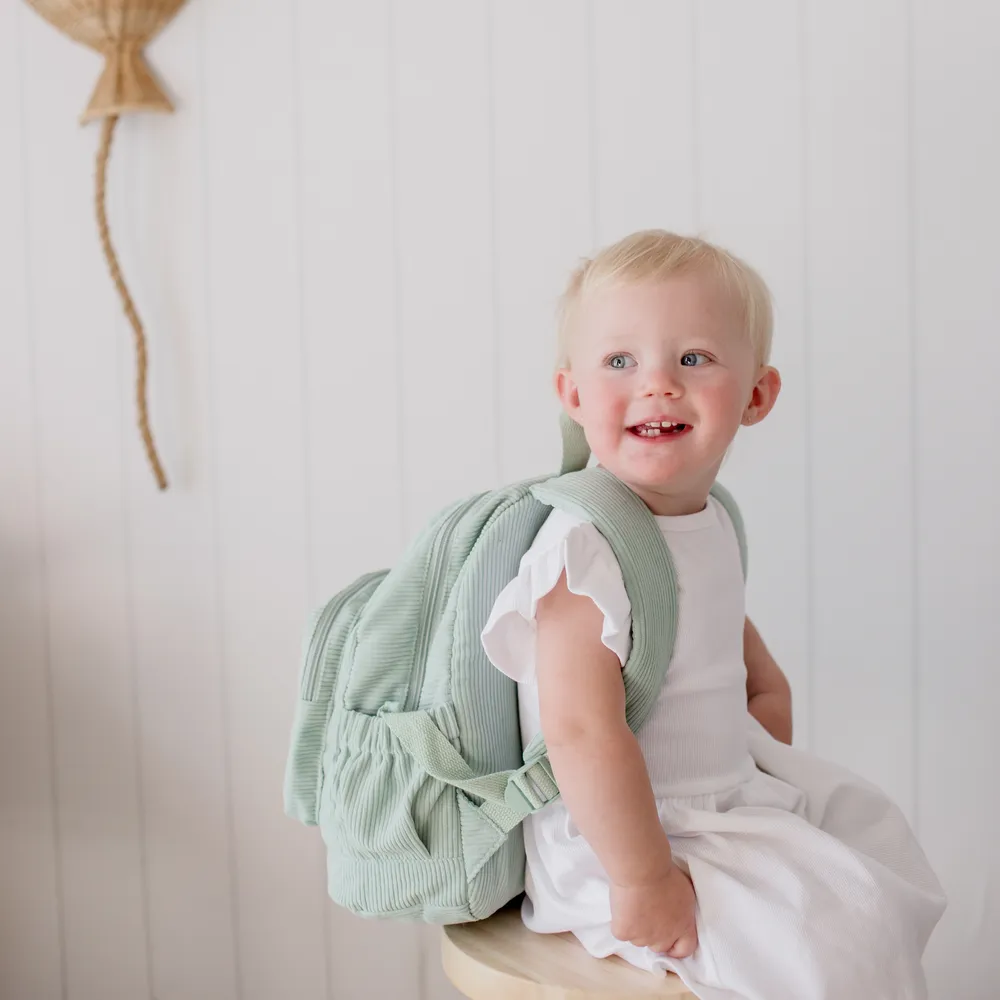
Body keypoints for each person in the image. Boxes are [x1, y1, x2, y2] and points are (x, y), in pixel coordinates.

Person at [481, 230, 946, 999]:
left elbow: (709, 623)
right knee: (826, 950)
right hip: (622, 835)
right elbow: (579, 729)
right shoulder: (582, 545)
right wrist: (643, 879)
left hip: (716, 799)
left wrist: (763, 705)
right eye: (620, 361)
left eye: (693, 358)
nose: (657, 384)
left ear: (757, 395)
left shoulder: (710, 516)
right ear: (572, 394)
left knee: (873, 847)